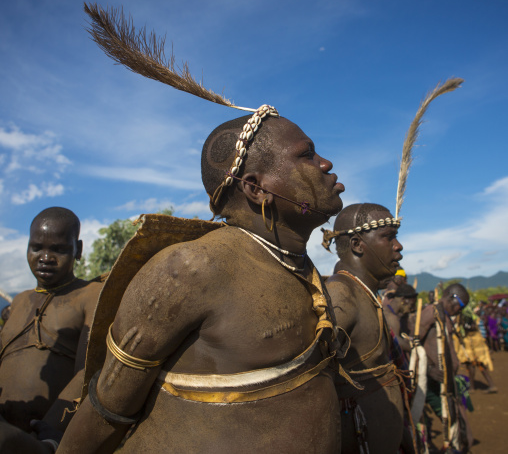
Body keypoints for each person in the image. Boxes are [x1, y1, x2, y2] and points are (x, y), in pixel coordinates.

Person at [58, 111, 346, 454]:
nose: (325, 163)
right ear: (256, 188)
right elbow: (108, 407)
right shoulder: (191, 268)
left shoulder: (301, 269)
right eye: (306, 154)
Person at [0, 207, 103, 441]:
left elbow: (87, 372)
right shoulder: (20, 300)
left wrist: (52, 429)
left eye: (59, 249)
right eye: (36, 247)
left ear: (78, 249)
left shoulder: (91, 295)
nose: (45, 257)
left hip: (46, 436)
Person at [322, 202, 407, 454]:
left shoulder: (364, 292)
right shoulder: (342, 295)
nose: (399, 246)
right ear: (358, 245)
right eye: (388, 237)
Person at [419, 283, 472, 453]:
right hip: (429, 380)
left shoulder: (445, 315)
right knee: (448, 420)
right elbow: (412, 343)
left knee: (455, 422)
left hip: (444, 381)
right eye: (461, 306)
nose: (460, 311)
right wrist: (429, 369)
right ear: (451, 298)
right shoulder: (431, 312)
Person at [454, 310, 497, 393]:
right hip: (476, 344)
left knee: (472, 366)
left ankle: (472, 387)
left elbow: (469, 328)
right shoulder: (473, 319)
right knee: (479, 366)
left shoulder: (467, 320)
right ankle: (490, 385)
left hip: (472, 345)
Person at [383, 284, 418, 354]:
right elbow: (395, 339)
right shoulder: (391, 318)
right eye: (411, 305)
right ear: (403, 300)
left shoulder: (385, 310)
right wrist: (413, 349)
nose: (410, 310)